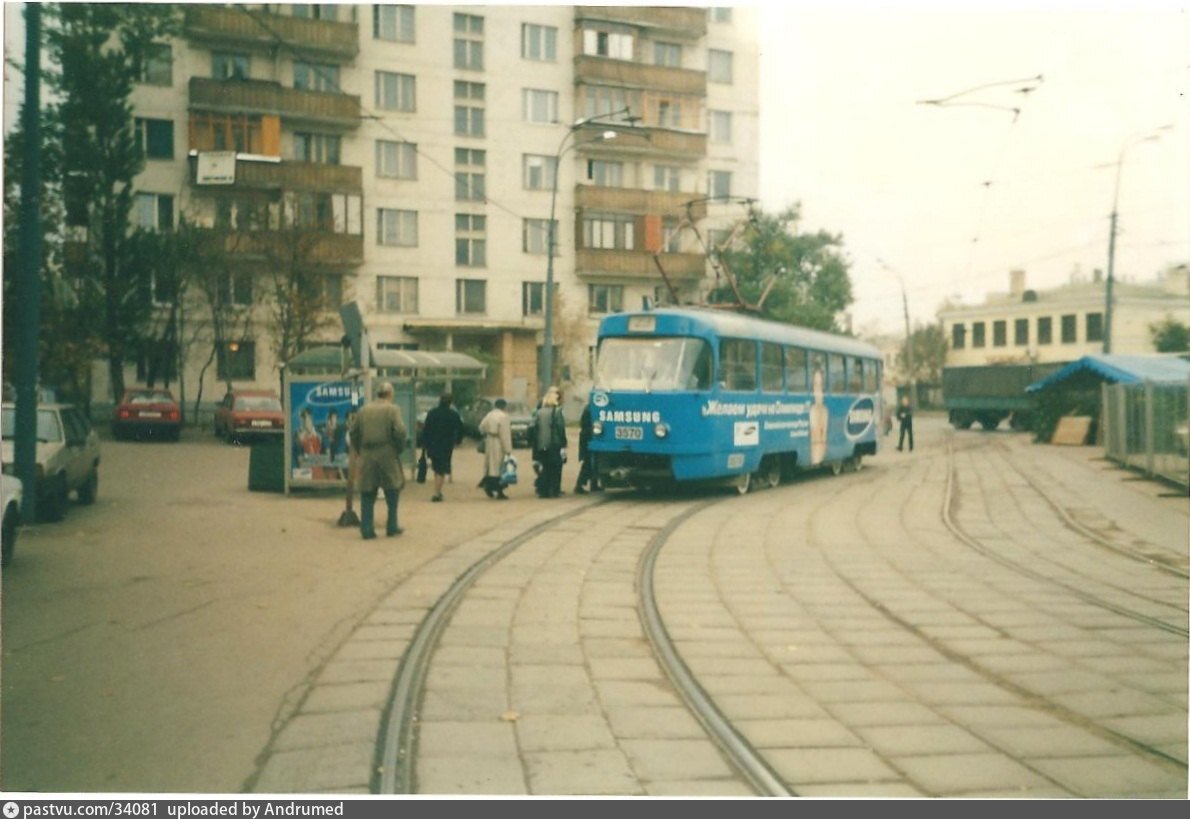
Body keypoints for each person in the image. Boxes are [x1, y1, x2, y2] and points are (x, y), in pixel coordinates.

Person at [348, 381, 407, 539]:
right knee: (393, 489)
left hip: (367, 454)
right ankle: (392, 525)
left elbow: (353, 432)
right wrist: (398, 448)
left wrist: (360, 449)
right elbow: (400, 431)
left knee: (367, 492)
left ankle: (367, 528)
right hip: (387, 453)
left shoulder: (363, 410)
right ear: (390, 394)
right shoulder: (393, 409)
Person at [421, 393, 464, 502]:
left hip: (432, 444)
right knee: (442, 468)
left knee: (437, 467)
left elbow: (426, 429)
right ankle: (436, 493)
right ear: (450, 402)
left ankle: (438, 491)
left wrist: (424, 444)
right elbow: (460, 428)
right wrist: (458, 440)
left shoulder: (432, 413)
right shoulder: (453, 414)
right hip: (446, 445)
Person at [532, 386, 568, 498]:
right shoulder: (557, 412)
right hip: (554, 444)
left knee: (545, 467)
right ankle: (554, 490)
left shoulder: (538, 412)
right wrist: (564, 442)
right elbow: (560, 428)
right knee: (555, 467)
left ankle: (543, 490)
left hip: (541, 445)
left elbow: (533, 427)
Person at [477, 398, 513, 500]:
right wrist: (508, 449)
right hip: (498, 443)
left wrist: (486, 434)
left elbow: (481, 427)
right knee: (500, 467)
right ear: (504, 406)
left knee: (490, 466)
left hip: (490, 441)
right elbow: (505, 434)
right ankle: (499, 490)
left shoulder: (489, 415)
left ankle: (488, 485)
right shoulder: (504, 416)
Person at [573, 403, 601, 494]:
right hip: (588, 438)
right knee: (588, 463)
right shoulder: (591, 409)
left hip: (587, 438)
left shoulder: (589, 408)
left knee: (591, 462)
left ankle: (593, 484)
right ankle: (580, 485)